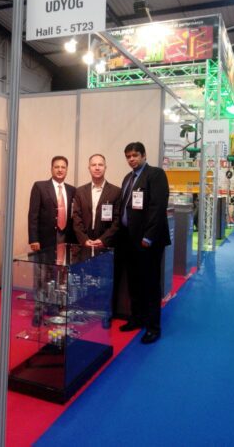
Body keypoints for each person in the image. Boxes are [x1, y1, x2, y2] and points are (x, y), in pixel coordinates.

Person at [118, 142, 170, 344]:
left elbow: (158, 207)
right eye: (128, 156)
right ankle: (137, 318)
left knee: (150, 284)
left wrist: (148, 237)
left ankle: (153, 327)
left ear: (144, 155)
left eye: (135, 155)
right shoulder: (127, 178)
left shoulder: (155, 175)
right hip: (129, 240)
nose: (131, 159)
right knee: (134, 282)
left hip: (148, 241)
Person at [28, 156, 76, 251]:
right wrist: (33, 239)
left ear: (66, 170)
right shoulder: (39, 187)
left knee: (65, 260)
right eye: (56, 167)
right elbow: (33, 215)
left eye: (63, 167)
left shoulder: (72, 190)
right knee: (46, 261)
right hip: (45, 239)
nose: (60, 170)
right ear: (51, 169)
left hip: (67, 237)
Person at [72, 153, 120, 248]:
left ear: (105, 167)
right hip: (84, 243)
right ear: (89, 168)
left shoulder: (116, 192)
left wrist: (103, 240)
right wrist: (84, 239)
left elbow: (117, 220)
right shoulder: (80, 191)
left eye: (100, 165)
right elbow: (76, 217)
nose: (97, 168)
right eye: (93, 165)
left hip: (106, 244)